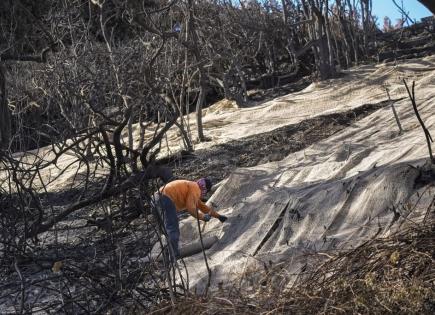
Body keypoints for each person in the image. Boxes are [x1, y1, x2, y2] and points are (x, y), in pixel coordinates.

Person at [154, 178, 227, 259]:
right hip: (165, 199)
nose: (205, 194)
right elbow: (191, 208)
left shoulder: (192, 186)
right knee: (173, 228)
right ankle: (174, 256)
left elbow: (203, 207)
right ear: (205, 188)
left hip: (155, 197)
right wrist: (202, 217)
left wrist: (218, 216)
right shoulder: (195, 188)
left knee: (164, 230)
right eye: (206, 192)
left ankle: (166, 253)